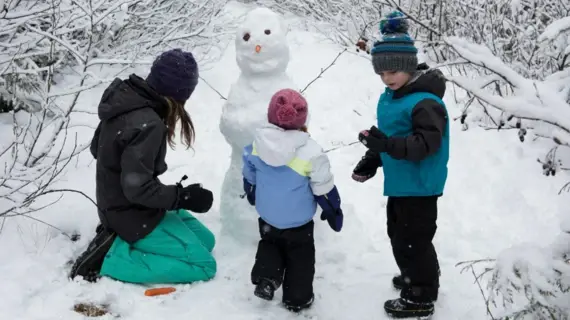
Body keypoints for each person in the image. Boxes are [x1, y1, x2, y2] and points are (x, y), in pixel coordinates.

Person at [69, 49, 217, 284]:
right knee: (204, 265)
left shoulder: (126, 101)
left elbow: (98, 149)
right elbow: (137, 189)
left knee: (207, 241)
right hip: (130, 215)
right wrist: (182, 197)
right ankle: (110, 259)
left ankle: (120, 240)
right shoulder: (148, 123)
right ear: (180, 93)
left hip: (127, 207)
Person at [353, 11, 449, 319]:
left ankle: (420, 295)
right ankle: (420, 277)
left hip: (419, 184)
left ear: (408, 66)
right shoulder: (395, 96)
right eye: (381, 73)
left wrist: (386, 146)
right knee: (402, 235)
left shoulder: (425, 102)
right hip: (402, 182)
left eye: (393, 71)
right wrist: (372, 159)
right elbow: (391, 137)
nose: (387, 78)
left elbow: (425, 145)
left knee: (412, 239)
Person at [241, 88, 344, 312]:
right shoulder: (310, 152)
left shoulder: (257, 143)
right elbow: (323, 186)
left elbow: (249, 169)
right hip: (298, 222)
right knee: (300, 257)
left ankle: (267, 278)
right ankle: (298, 297)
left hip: (268, 215)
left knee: (270, 244)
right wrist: (332, 208)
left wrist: (250, 188)